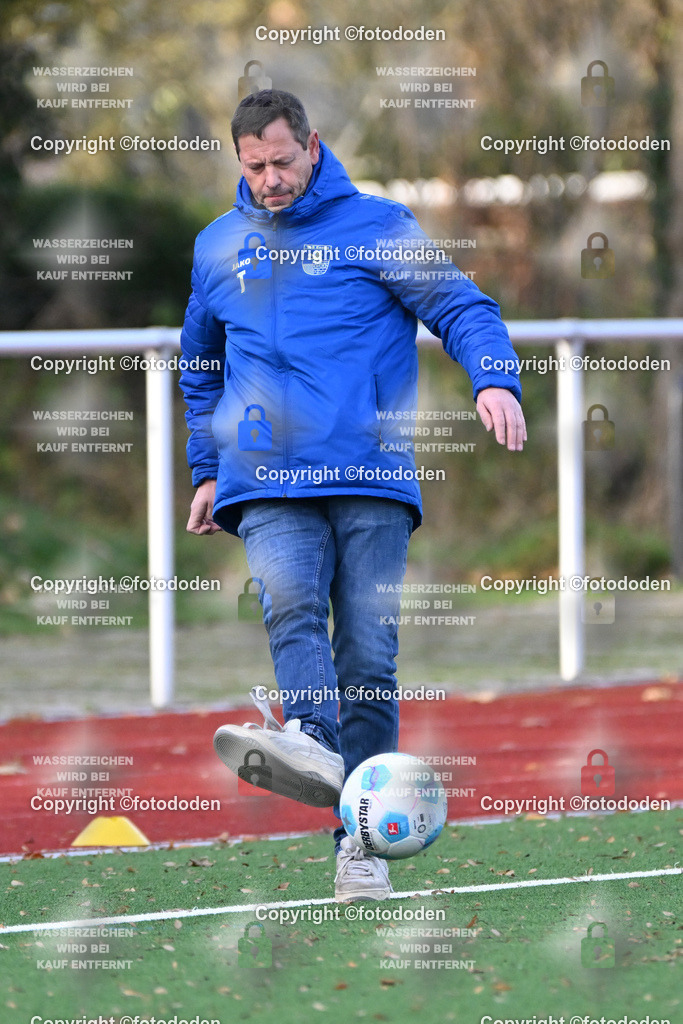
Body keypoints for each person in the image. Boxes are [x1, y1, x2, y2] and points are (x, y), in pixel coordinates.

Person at [179, 89, 525, 902]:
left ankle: (360, 845)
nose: (269, 179)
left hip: (369, 471)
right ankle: (307, 732)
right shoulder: (216, 245)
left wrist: (493, 379)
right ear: (239, 162)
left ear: (313, 147)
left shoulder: (378, 226)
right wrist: (206, 468)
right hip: (263, 476)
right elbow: (200, 365)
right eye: (254, 167)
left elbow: (459, 305)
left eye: (282, 162)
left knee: (367, 658)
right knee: (291, 602)